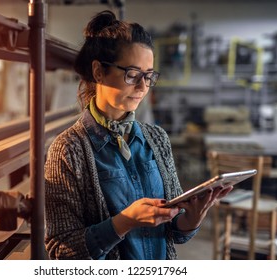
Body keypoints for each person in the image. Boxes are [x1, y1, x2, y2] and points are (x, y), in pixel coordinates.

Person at [44, 10, 232, 260]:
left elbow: (176, 234)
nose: (143, 86)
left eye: (149, 75)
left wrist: (194, 216)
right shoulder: (68, 150)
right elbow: (61, 251)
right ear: (99, 72)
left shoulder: (157, 139)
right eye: (132, 74)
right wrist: (124, 222)